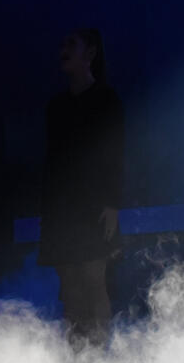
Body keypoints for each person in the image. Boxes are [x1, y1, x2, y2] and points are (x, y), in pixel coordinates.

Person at [38, 28, 124, 345]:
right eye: (62, 43)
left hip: (95, 205)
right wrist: (47, 214)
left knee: (93, 279)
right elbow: (52, 163)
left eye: (70, 44)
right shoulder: (56, 106)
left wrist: (112, 204)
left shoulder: (106, 100)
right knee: (69, 286)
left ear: (90, 53)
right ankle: (76, 360)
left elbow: (116, 154)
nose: (63, 50)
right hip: (62, 209)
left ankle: (99, 357)